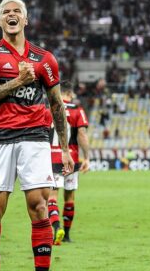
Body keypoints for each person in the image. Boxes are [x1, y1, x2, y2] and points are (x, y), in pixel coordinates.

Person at [0, 0, 74, 271]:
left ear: (25, 20)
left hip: (35, 138)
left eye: (17, 11)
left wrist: (64, 149)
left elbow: (56, 105)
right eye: (6, 12)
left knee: (40, 206)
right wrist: (18, 81)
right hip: (0, 138)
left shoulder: (45, 59)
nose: (12, 14)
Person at [47, 81, 90, 245]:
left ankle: (57, 227)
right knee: (70, 195)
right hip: (71, 159)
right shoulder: (77, 110)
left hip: (52, 158)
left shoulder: (49, 108)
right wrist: (87, 157)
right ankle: (67, 235)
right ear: (70, 94)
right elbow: (82, 134)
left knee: (52, 196)